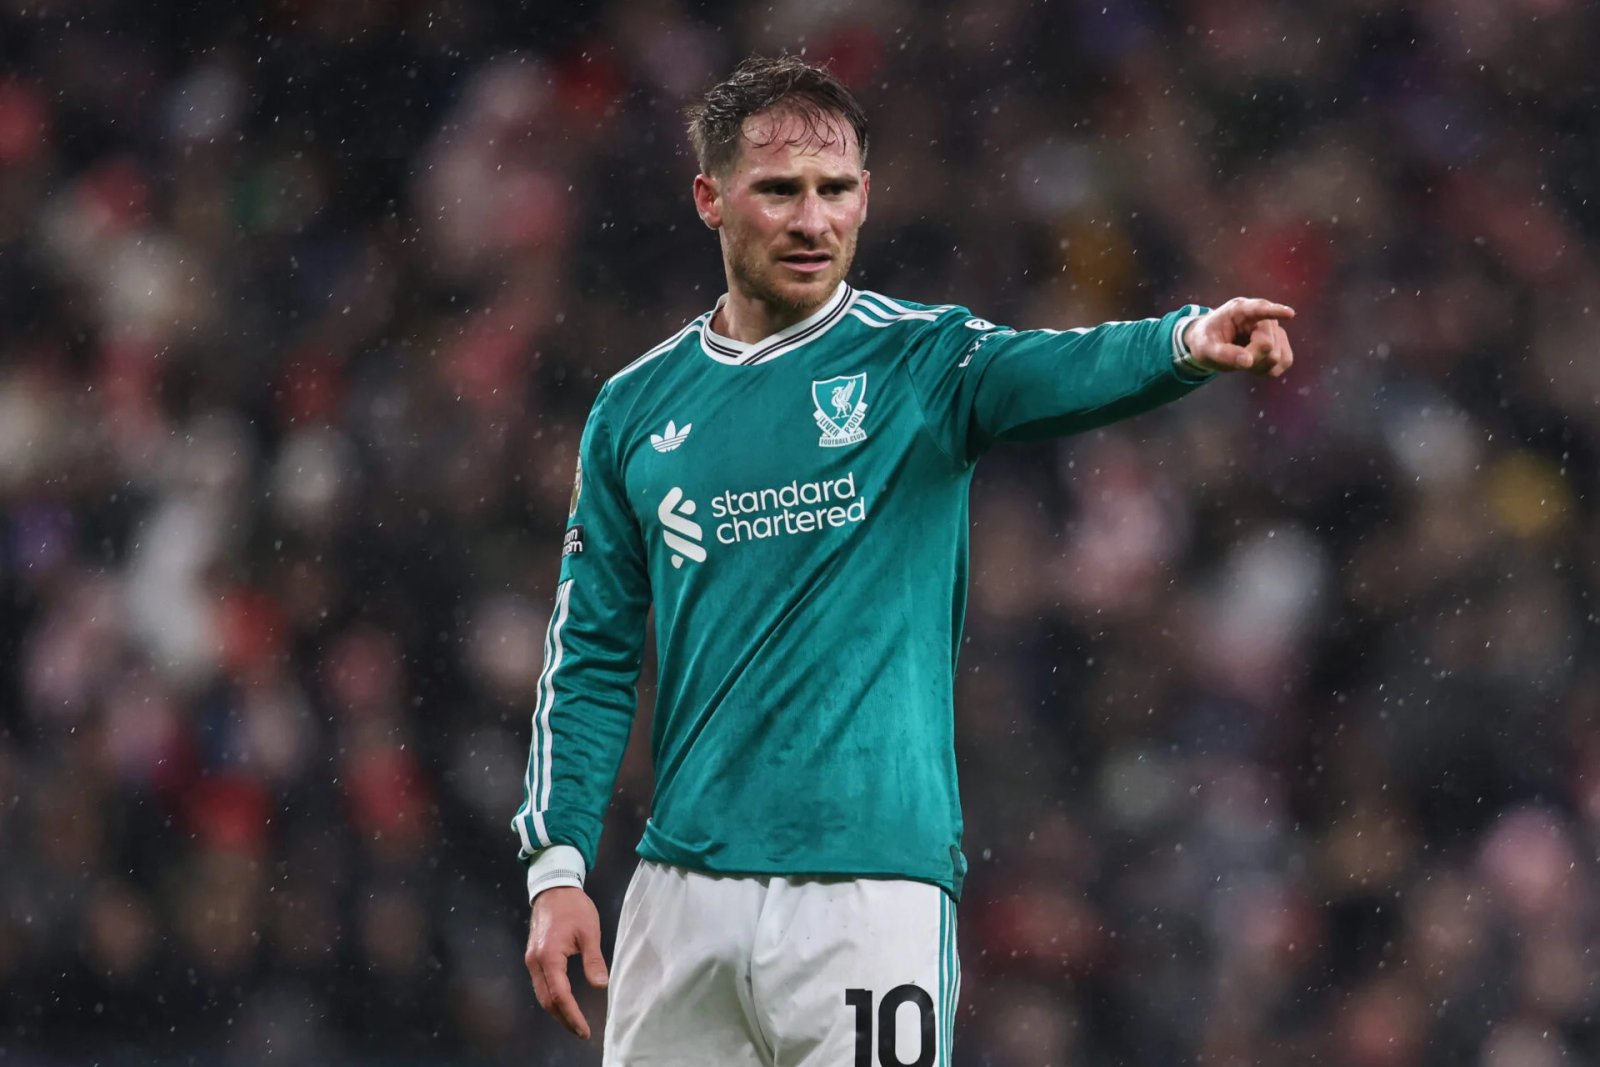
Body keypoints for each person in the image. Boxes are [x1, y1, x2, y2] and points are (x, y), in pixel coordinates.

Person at [513, 54, 1296, 1066]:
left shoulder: (921, 362)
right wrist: (557, 866)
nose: (812, 220)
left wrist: (1186, 341)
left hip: (870, 892)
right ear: (710, 198)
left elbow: (1057, 367)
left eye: (835, 190)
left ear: (866, 196)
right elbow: (589, 654)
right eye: (779, 190)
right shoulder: (634, 408)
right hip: (683, 893)